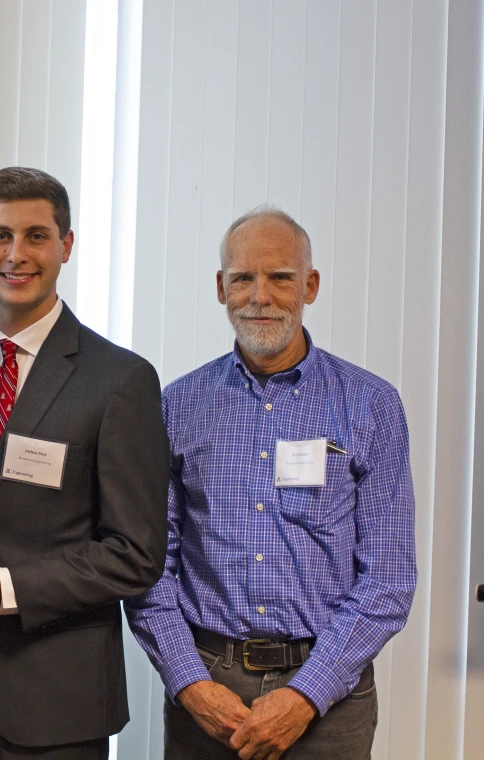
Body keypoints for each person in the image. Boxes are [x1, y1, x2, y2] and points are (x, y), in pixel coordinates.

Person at [125, 207, 417, 760]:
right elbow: (148, 568)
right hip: (208, 694)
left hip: (329, 698)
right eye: (242, 278)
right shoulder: (175, 407)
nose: (260, 295)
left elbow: (389, 578)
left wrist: (307, 694)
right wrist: (190, 683)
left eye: (280, 277)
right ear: (221, 288)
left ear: (310, 285)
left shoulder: (371, 405)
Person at [0, 167, 171, 760]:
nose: (16, 254)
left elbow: (135, 556)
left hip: (57, 701)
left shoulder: (120, 380)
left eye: (36, 235)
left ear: (67, 246)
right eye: (0, 235)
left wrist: (4, 588)